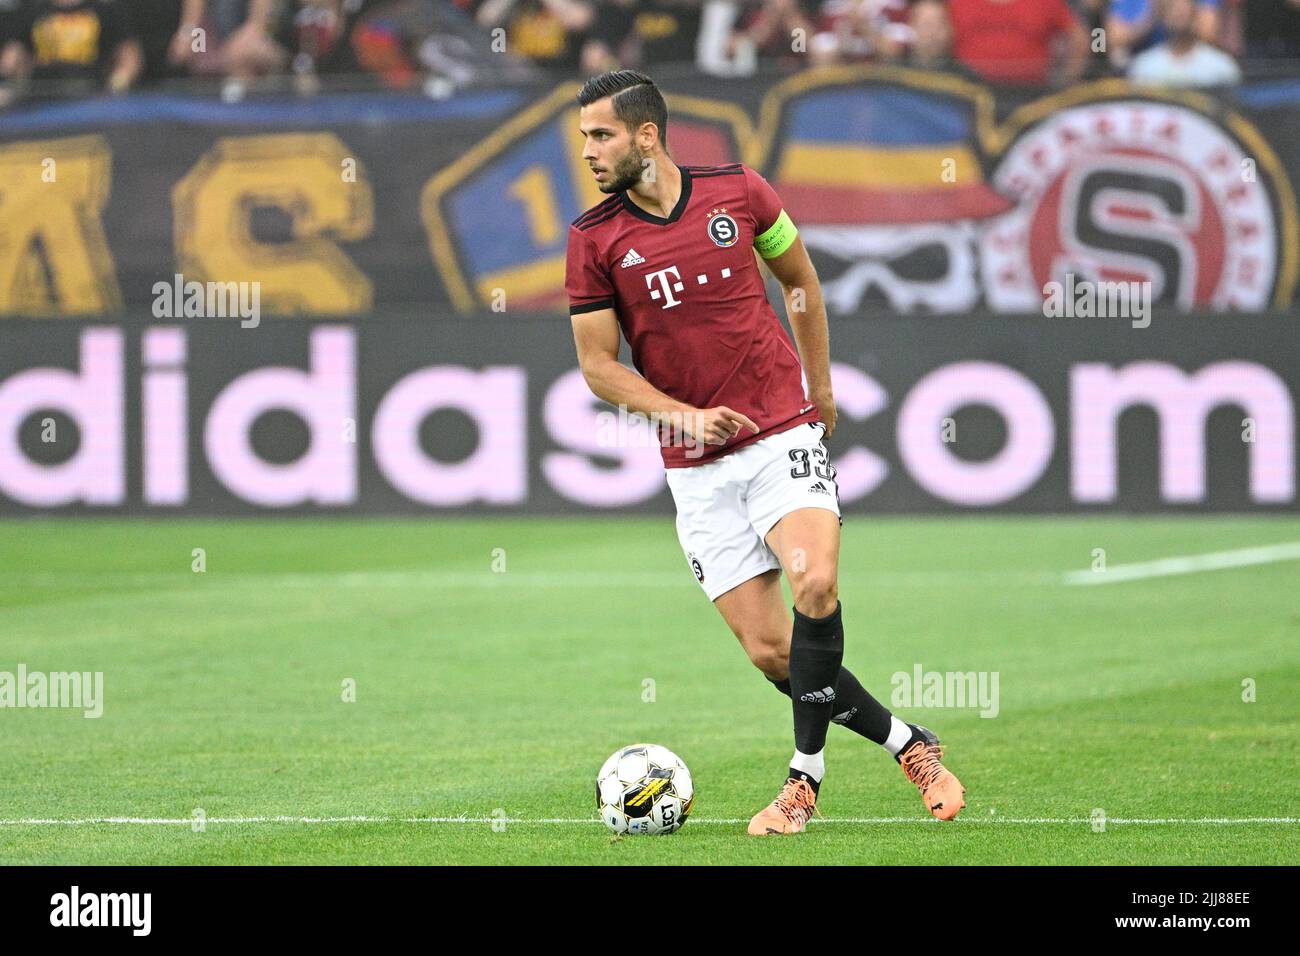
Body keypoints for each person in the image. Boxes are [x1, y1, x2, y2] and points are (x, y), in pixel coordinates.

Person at [565, 69, 965, 835]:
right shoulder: (594, 240)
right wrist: (681, 415)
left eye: (601, 134)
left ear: (646, 136)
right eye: (585, 136)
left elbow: (800, 280)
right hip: (695, 468)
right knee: (774, 653)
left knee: (814, 585)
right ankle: (909, 743)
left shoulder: (741, 192)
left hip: (780, 428)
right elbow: (597, 365)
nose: (588, 150)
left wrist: (820, 387)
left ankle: (801, 782)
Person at [1129, 0, 1240, 85]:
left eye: (1183, 9)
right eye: (1172, 8)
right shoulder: (1144, 66)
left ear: (1195, 13)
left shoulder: (1221, 67)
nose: (1178, 14)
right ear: (1162, 16)